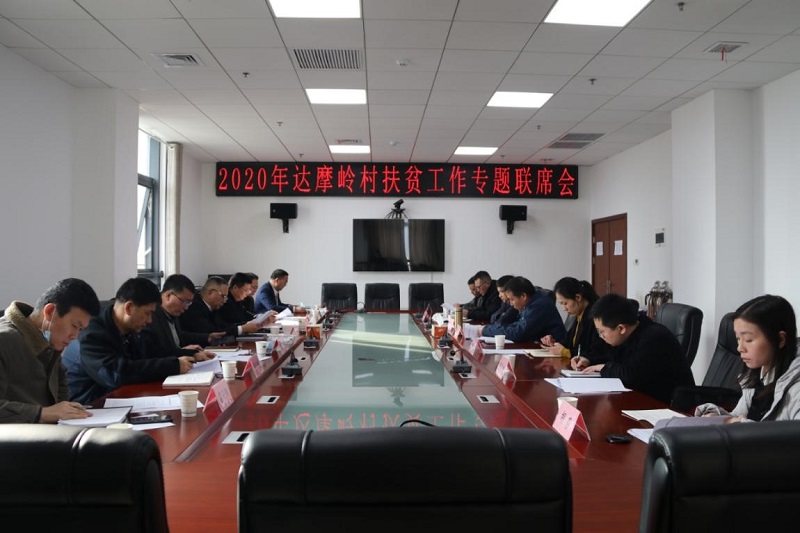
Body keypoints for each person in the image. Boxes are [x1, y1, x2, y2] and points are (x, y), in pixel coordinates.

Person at [62, 278, 199, 404]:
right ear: (128, 308)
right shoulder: (91, 332)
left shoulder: (129, 327)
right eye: (147, 313)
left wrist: (190, 354)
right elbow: (115, 374)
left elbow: (151, 353)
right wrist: (172, 366)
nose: (150, 320)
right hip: (91, 405)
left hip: (120, 398)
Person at [0, 278, 100, 423]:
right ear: (50, 311)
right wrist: (42, 413)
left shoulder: (49, 340)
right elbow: (49, 412)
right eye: (74, 325)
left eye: (80, 329)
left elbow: (60, 399)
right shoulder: (4, 340)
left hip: (49, 431)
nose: (75, 336)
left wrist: (70, 411)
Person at [572, 293, 694, 404]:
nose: (600, 336)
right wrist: (589, 360)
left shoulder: (654, 338)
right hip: (641, 399)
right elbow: (612, 357)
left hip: (668, 406)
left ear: (621, 328)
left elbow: (631, 376)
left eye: (601, 332)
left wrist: (604, 367)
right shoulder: (632, 332)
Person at [695, 295, 799, 422]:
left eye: (748, 340)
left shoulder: (796, 390)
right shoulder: (756, 376)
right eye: (738, 339)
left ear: (780, 340)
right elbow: (739, 416)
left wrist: (735, 423)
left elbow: (790, 435)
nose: (739, 348)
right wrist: (718, 417)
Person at [141, 274, 220, 359]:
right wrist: (189, 353)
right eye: (184, 301)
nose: (186, 307)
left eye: (189, 303)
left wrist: (206, 337)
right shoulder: (150, 317)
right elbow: (159, 353)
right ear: (168, 296)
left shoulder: (172, 312)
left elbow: (178, 335)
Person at [479, 276, 566, 343]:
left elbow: (518, 333)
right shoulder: (531, 302)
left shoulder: (539, 305)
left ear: (523, 296)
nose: (511, 304)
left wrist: (485, 330)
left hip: (556, 348)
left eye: (512, 299)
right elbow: (516, 326)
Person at [180, 276, 272, 336]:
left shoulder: (214, 306)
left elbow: (223, 325)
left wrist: (249, 325)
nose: (225, 300)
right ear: (210, 292)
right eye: (223, 296)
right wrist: (242, 328)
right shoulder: (194, 305)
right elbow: (212, 331)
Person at [541, 277, 605, 360]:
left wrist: (566, 352)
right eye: (561, 304)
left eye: (565, 303)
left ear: (578, 297)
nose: (564, 308)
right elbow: (568, 342)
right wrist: (554, 342)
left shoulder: (596, 318)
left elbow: (596, 353)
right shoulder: (579, 314)